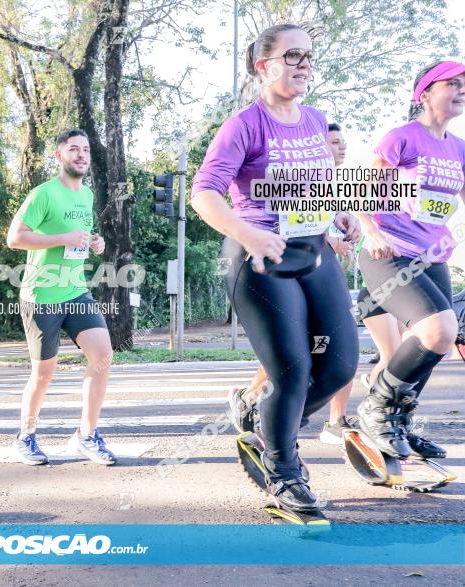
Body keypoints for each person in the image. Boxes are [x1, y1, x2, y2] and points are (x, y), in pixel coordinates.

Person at [191, 24, 361, 512]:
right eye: (292, 56)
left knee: (340, 365)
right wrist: (248, 234)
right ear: (262, 67)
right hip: (260, 258)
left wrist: (339, 212)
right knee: (292, 369)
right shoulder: (244, 124)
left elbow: (317, 184)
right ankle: (284, 473)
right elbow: (203, 193)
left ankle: (261, 420)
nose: (303, 63)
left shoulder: (314, 119)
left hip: (313, 251)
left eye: (308, 55)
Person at [355, 60, 465, 460]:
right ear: (425, 93)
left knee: (436, 342)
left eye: (464, 84)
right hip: (389, 254)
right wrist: (372, 231)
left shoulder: (459, 148)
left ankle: (397, 419)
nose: (461, 90)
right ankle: (378, 408)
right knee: (438, 329)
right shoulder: (402, 138)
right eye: (452, 83)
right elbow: (362, 194)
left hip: (432, 257)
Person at [232, 121, 359, 445]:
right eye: (333, 142)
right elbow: (289, 218)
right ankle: (261, 409)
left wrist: (343, 219)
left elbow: (317, 213)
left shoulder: (328, 180)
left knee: (333, 352)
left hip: (321, 271)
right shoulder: (292, 168)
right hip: (279, 268)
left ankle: (282, 417)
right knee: (296, 354)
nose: (340, 147)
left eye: (343, 142)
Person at [6, 128, 116, 466]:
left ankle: (86, 435)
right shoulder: (43, 194)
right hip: (42, 295)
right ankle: (25, 437)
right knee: (44, 373)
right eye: (73, 149)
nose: (81, 155)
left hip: (75, 290)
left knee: (102, 356)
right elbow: (15, 238)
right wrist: (62, 238)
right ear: (59, 156)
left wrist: (95, 243)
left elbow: (78, 239)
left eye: (85, 150)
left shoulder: (87, 195)